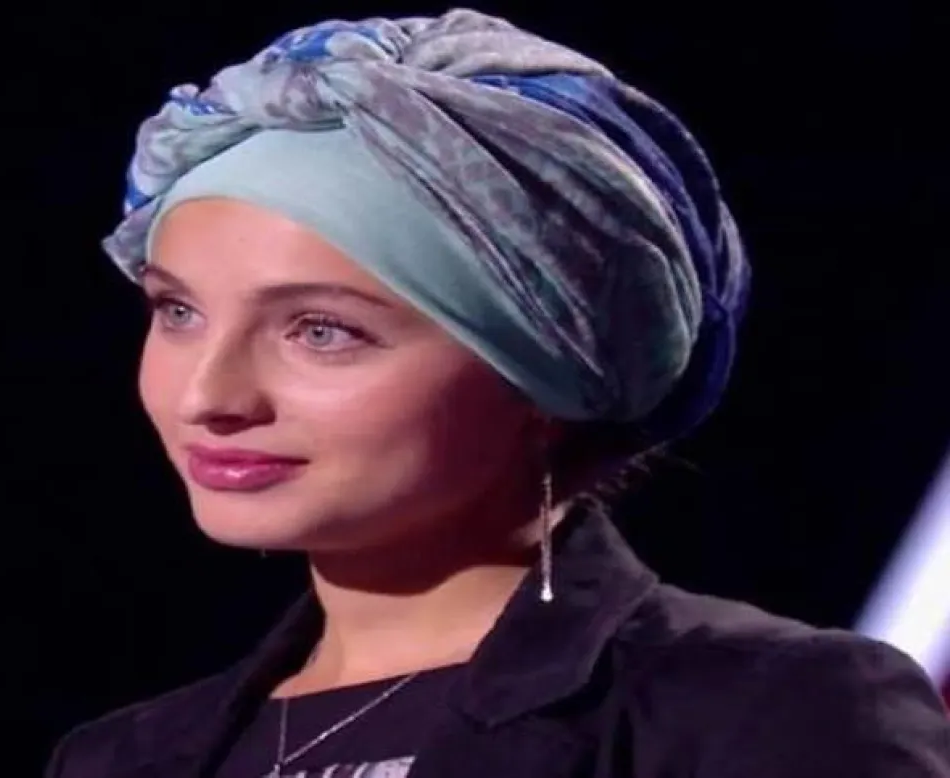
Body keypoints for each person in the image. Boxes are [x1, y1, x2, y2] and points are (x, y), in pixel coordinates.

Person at [46, 9, 950, 778]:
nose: (208, 395)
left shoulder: (770, 715)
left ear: (544, 371)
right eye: (178, 311)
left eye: (322, 330)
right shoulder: (120, 759)